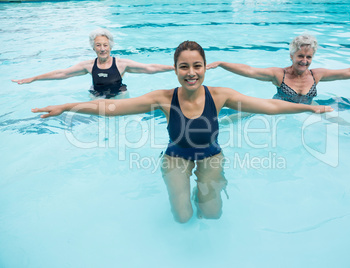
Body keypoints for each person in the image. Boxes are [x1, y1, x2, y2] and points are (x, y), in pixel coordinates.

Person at [32, 41, 333, 223]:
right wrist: (68, 106)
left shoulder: (221, 95)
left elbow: (269, 106)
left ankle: (204, 188)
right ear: (175, 69)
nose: (191, 72)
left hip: (211, 156)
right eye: (184, 67)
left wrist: (309, 109)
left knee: (212, 215)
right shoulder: (162, 98)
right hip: (176, 157)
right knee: (182, 217)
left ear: (205, 67)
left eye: (197, 66)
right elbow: (111, 109)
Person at [207, 34, 350, 105]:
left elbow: (348, 72)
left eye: (309, 57)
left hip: (310, 109)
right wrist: (222, 63)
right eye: (300, 56)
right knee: (232, 120)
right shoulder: (278, 74)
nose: (305, 61)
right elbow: (249, 70)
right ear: (291, 56)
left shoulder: (317, 75)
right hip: (279, 108)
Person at [12, 28, 174, 98]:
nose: (102, 49)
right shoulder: (88, 66)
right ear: (93, 47)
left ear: (110, 45)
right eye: (98, 45)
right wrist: (34, 78)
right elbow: (61, 73)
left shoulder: (122, 64)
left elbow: (149, 68)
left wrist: (173, 68)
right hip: (96, 95)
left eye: (105, 45)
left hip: (119, 95)